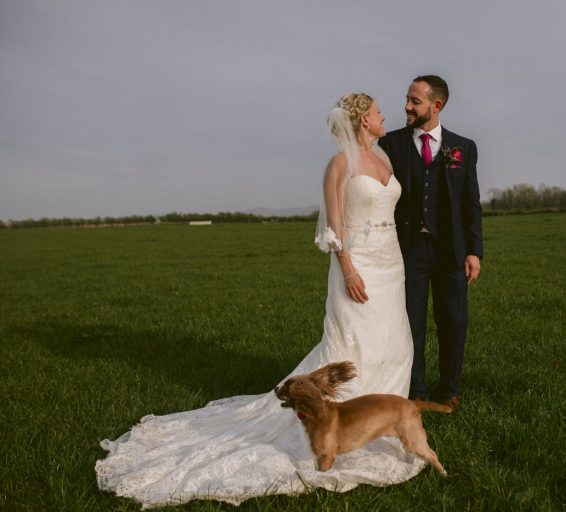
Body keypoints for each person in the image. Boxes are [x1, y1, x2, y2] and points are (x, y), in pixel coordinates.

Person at [95, 93, 426, 508]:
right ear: (362, 120)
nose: (384, 117)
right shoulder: (340, 165)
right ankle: (333, 429)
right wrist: (349, 268)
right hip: (357, 266)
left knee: (394, 343)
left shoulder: (387, 161)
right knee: (352, 342)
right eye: (378, 112)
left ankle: (380, 423)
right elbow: (335, 226)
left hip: (390, 265)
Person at [378, 75, 483, 409]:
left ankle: (449, 389)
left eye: (415, 101)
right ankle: (416, 391)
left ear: (436, 106)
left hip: (450, 251)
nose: (407, 106)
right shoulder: (391, 145)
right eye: (407, 99)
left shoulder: (463, 148)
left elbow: (471, 203)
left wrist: (474, 251)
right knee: (411, 323)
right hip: (408, 250)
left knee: (453, 321)